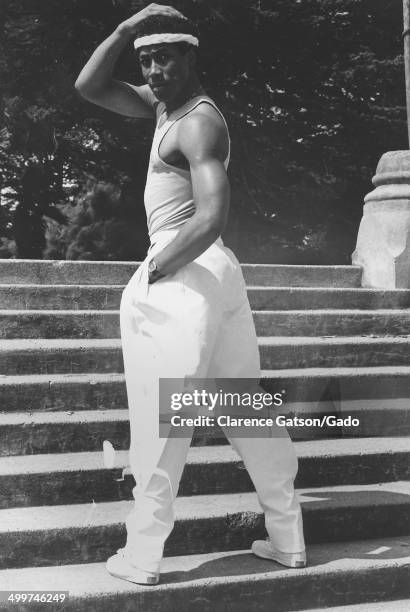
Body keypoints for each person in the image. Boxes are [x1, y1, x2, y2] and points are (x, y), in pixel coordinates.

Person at [75, 2, 306, 586]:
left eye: (165, 58)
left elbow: (212, 214)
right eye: (146, 61)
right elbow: (90, 85)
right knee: (245, 408)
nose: (154, 71)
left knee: (161, 420)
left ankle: (144, 556)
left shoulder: (198, 122)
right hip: (216, 279)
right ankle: (289, 540)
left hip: (187, 273)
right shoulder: (161, 109)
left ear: (191, 57)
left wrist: (158, 267)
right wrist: (129, 28)